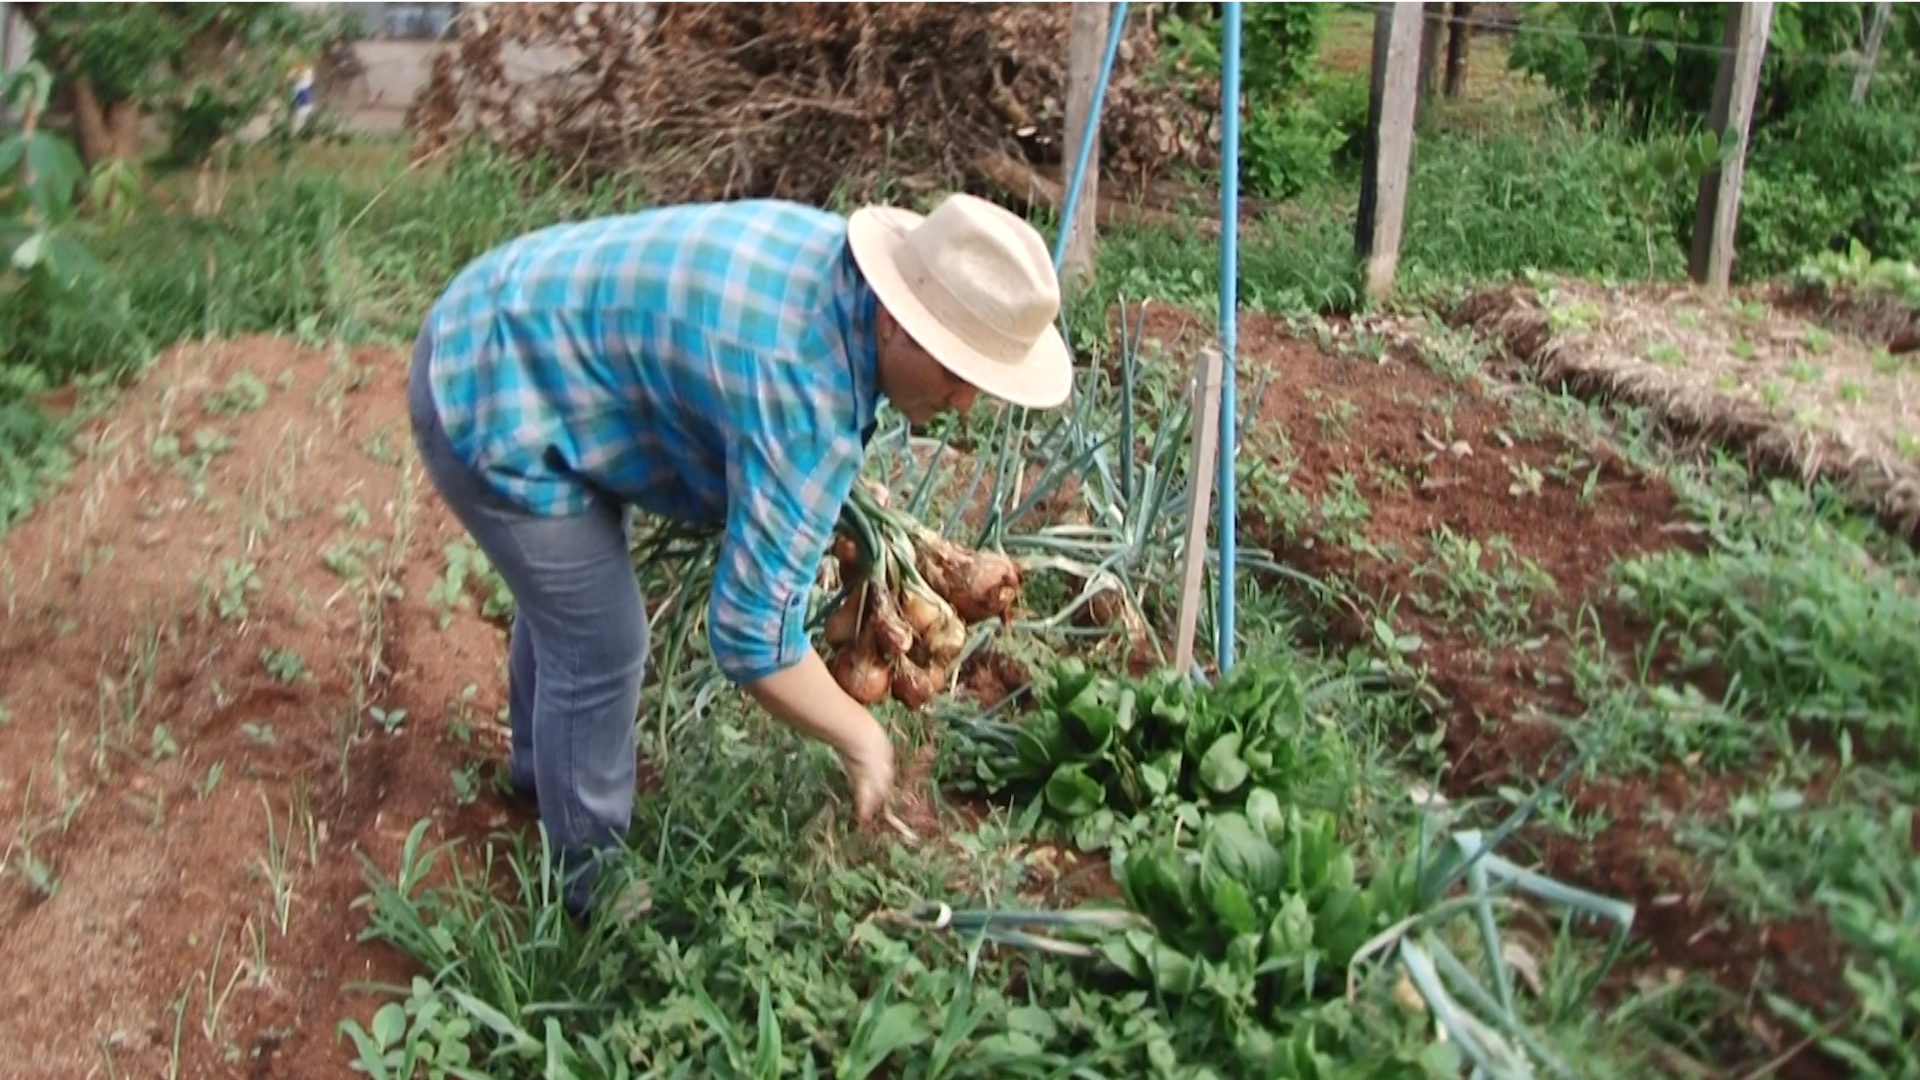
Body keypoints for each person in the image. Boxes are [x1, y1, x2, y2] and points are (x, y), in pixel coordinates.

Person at [406, 191, 1074, 917]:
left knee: (574, 607)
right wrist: (860, 737)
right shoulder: (806, 404)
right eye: (956, 372)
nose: (965, 403)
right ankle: (587, 882)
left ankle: (543, 779)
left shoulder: (839, 274)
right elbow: (752, 638)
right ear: (895, 320)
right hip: (487, 395)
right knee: (601, 642)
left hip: (510, 321)